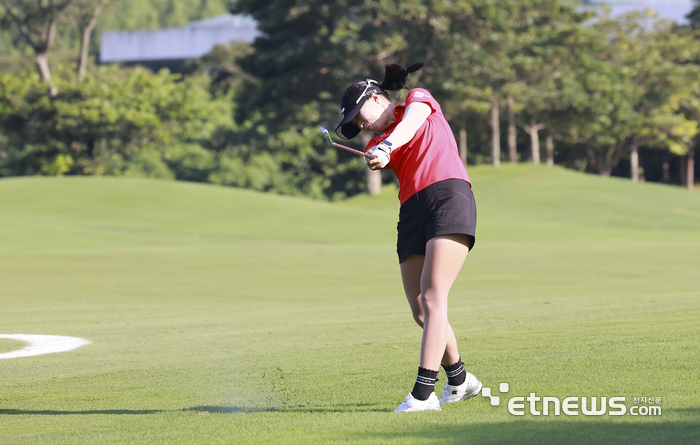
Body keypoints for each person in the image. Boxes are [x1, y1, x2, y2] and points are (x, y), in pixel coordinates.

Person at [335, 63, 482, 413]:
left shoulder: (418, 99)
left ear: (376, 97)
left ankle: (423, 394)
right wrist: (377, 154)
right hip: (411, 211)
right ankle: (461, 381)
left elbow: (410, 125)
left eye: (360, 115)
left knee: (434, 297)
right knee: (420, 309)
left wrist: (386, 147)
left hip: (448, 196)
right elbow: (384, 152)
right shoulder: (378, 140)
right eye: (355, 124)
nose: (361, 124)